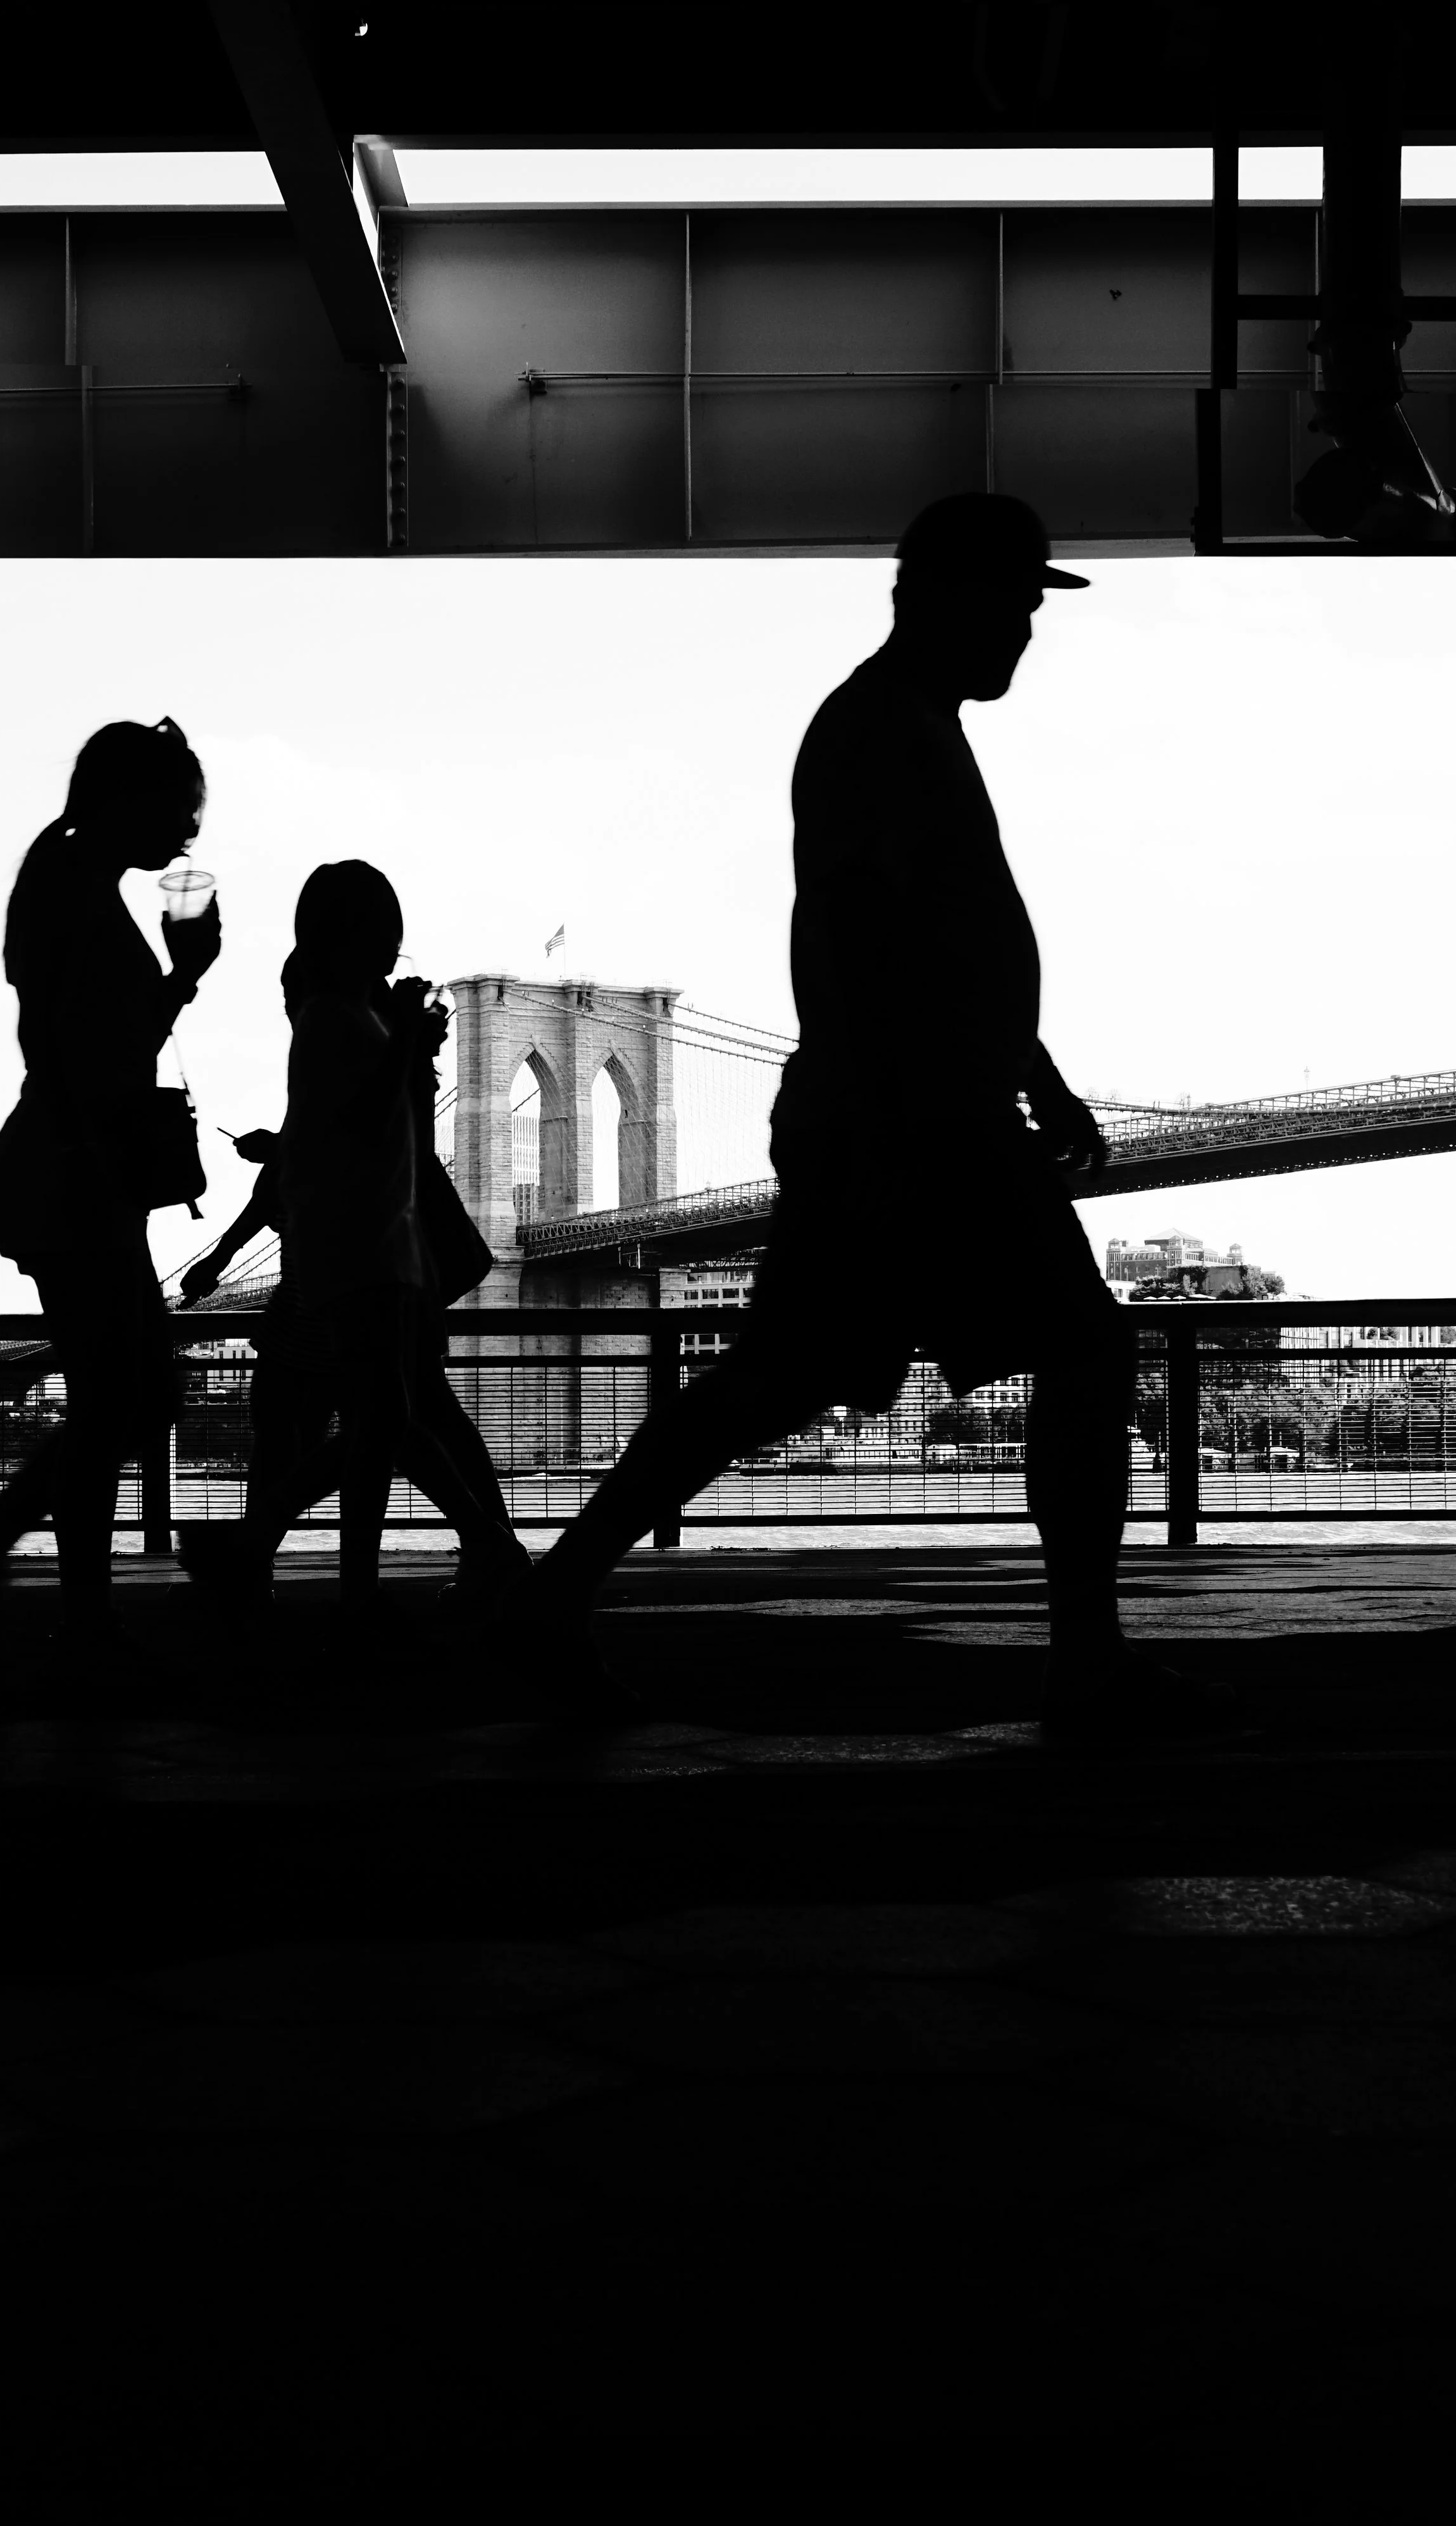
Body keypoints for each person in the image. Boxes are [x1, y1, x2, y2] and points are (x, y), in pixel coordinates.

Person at [530, 494, 1240, 1745]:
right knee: (1078, 1348)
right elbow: (849, 945)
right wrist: (881, 1134)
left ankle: (542, 1609)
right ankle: (1084, 1666)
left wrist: (1041, 1074)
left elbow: (944, 941)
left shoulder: (907, 726)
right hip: (916, 1122)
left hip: (926, 1113)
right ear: (941, 592)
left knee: (767, 1385)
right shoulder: (875, 734)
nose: (1027, 626)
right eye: (1015, 599)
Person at [0, 718, 220, 1656]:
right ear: (126, 799)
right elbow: (83, 1051)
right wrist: (185, 977)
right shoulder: (73, 894)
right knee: (129, 1398)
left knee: (121, 1397)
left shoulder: (66, 880)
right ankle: (60, 1601)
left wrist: (177, 980)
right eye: (181, 808)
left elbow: (85, 1041)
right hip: (74, 1170)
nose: (190, 834)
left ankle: (5, 1561)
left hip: (69, 1166)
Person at [215, 863, 525, 1629]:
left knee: (388, 1423)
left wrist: (413, 1050)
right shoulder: (330, 1019)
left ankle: (274, 1557)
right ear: (349, 937)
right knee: (392, 1423)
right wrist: (407, 1049)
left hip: (379, 1248)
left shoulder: (359, 1021)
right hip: (361, 1252)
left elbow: (383, 1132)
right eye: (383, 933)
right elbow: (348, 1125)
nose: (394, 950)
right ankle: (488, 1555)